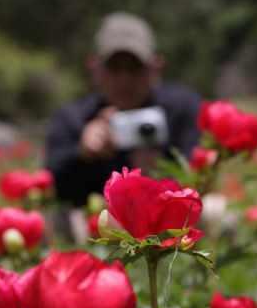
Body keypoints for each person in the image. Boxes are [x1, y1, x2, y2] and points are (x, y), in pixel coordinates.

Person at [45, 12, 202, 207]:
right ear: (95, 68)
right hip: (96, 224)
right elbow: (51, 185)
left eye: (135, 67)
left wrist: (160, 173)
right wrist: (82, 154)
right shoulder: (73, 118)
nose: (124, 79)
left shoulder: (181, 109)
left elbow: (200, 176)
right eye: (114, 67)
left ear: (155, 67)